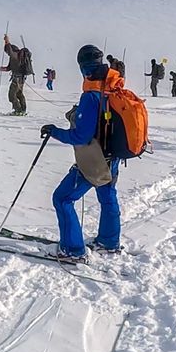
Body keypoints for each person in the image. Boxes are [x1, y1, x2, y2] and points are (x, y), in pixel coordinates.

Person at [39, 45, 123, 260]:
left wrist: (54, 132)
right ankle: (109, 242)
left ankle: (73, 250)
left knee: (63, 198)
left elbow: (80, 137)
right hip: (113, 156)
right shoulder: (113, 88)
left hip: (95, 160)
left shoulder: (91, 96)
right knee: (107, 196)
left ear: (83, 68)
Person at [1, 34, 31, 115]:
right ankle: (23, 110)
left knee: (12, 95)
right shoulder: (17, 57)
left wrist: (7, 41)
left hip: (17, 79)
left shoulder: (15, 55)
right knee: (19, 94)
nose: (7, 53)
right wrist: (4, 69)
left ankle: (18, 110)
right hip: (21, 78)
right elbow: (9, 68)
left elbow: (10, 52)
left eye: (7, 51)